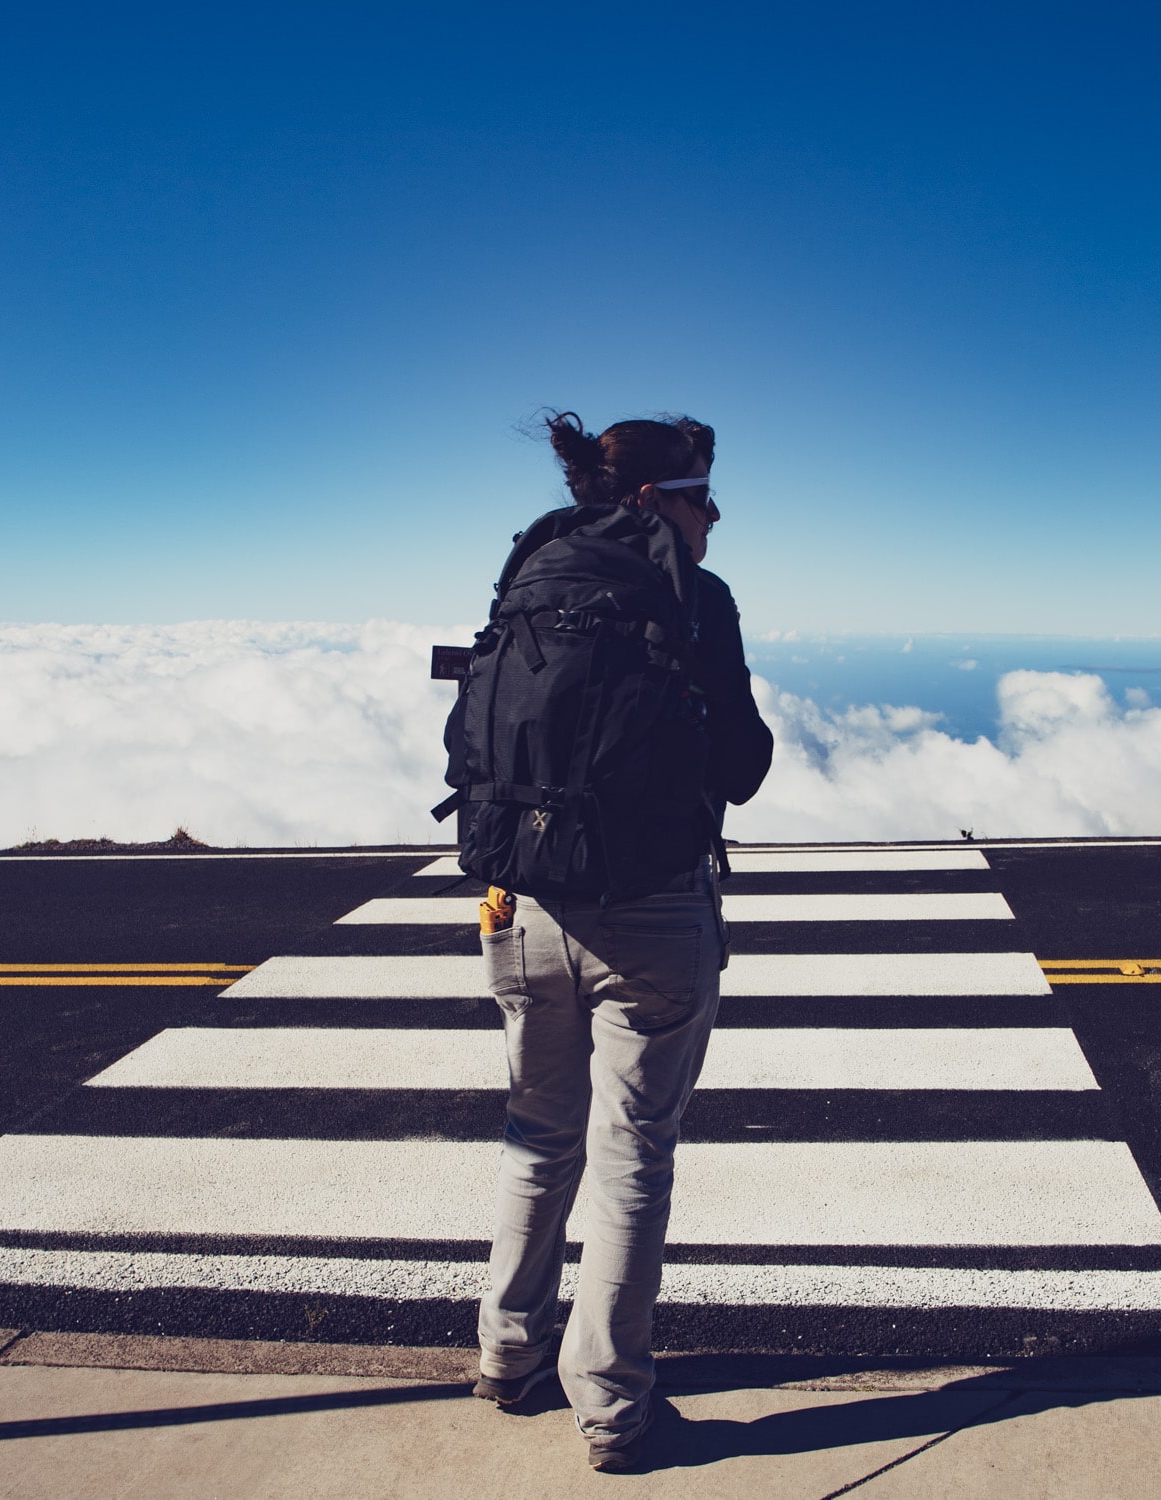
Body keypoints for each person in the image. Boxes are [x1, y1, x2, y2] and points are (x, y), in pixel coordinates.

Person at [471, 411, 773, 1472]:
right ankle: (611, 1404)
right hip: (649, 914)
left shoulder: (531, 569)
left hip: (520, 907)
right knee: (633, 1157)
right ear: (653, 500)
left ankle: (508, 1354)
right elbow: (740, 767)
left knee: (536, 1139)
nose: (713, 514)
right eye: (700, 494)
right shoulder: (698, 600)